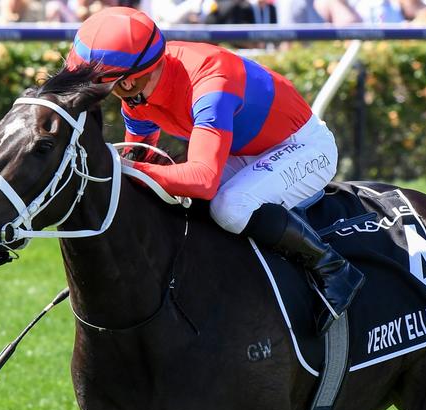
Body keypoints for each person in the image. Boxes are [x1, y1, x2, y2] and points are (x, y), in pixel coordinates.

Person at [66, 7, 364, 334]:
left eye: (98, 84)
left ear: (129, 80)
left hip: (305, 149)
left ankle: (332, 267)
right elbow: (143, 161)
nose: (93, 93)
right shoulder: (137, 94)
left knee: (229, 207)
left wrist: (120, 166)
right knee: (175, 201)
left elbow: (203, 180)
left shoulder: (210, 81)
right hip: (244, 150)